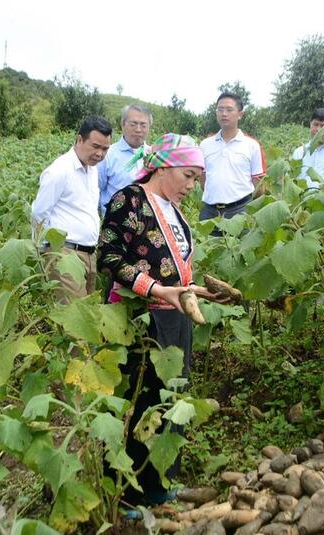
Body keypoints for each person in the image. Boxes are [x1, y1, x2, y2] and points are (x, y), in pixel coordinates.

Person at [98, 133, 225, 505]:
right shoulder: (130, 200)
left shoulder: (172, 208)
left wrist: (192, 290)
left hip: (175, 317)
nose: (191, 186)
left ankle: (158, 485)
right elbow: (108, 255)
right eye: (187, 176)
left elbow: (171, 267)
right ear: (164, 167)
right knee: (139, 399)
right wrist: (154, 289)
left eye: (195, 179)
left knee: (169, 398)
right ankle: (126, 494)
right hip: (137, 318)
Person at [31, 115, 112, 302]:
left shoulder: (92, 169)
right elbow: (39, 212)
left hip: (88, 253)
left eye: (105, 149)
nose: (100, 154)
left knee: (87, 311)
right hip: (65, 254)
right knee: (74, 313)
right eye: (95, 146)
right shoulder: (60, 170)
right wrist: (45, 252)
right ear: (79, 140)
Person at [199, 92, 266, 221]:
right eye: (220, 110)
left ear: (240, 114)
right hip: (210, 212)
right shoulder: (205, 144)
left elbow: (259, 185)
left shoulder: (252, 145)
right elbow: (203, 179)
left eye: (229, 110)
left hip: (240, 210)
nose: (224, 114)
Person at [97, 104, 153, 216]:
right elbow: (96, 189)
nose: (138, 129)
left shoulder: (153, 155)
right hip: (113, 221)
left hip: (145, 221)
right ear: (122, 124)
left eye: (143, 125)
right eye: (133, 124)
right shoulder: (108, 154)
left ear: (149, 128)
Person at [290, 108, 324, 188]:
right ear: (310, 124)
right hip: (303, 196)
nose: (318, 130)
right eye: (315, 124)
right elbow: (292, 179)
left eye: (323, 126)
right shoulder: (299, 153)